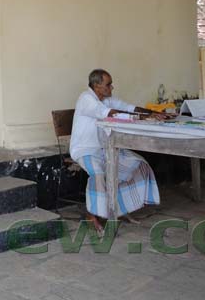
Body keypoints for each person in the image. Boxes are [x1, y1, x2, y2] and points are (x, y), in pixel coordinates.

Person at [69, 69, 167, 231]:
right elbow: (110, 114)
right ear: (96, 85)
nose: (112, 87)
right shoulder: (86, 99)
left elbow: (128, 107)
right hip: (84, 150)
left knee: (138, 164)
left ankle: (120, 208)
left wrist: (154, 113)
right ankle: (91, 214)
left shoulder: (107, 99)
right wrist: (143, 117)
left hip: (105, 149)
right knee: (98, 173)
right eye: (108, 84)